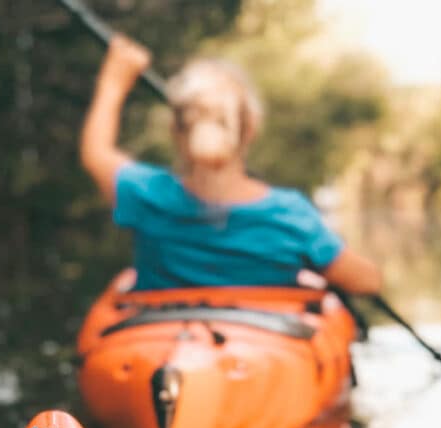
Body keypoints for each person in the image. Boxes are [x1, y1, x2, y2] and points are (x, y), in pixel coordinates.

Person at [79, 34, 382, 294]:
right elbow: (366, 282)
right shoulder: (290, 216)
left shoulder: (148, 196)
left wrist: (113, 81)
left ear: (175, 131)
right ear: (250, 130)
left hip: (161, 350)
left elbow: (96, 152)